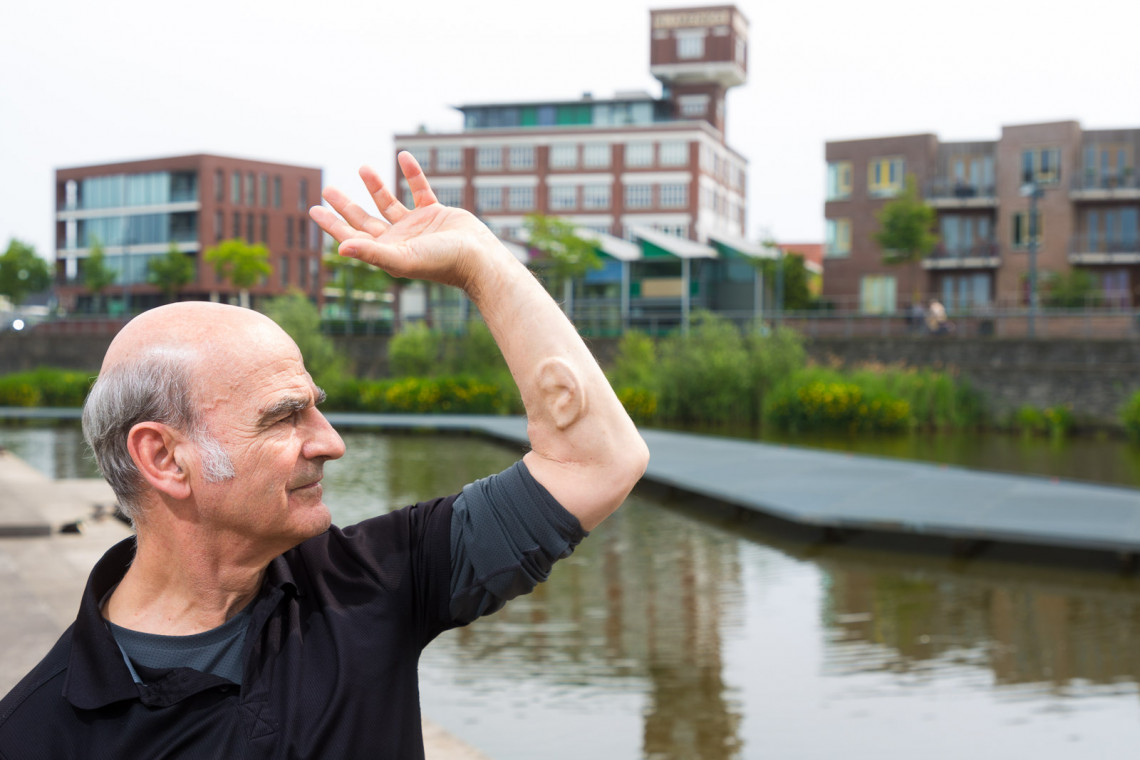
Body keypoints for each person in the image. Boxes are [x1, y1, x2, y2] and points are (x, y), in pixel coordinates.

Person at [0, 152, 649, 758]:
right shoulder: (37, 733)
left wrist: (482, 264)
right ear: (166, 459)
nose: (331, 442)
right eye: (285, 416)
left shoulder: (370, 582)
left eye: (316, 406)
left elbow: (594, 462)